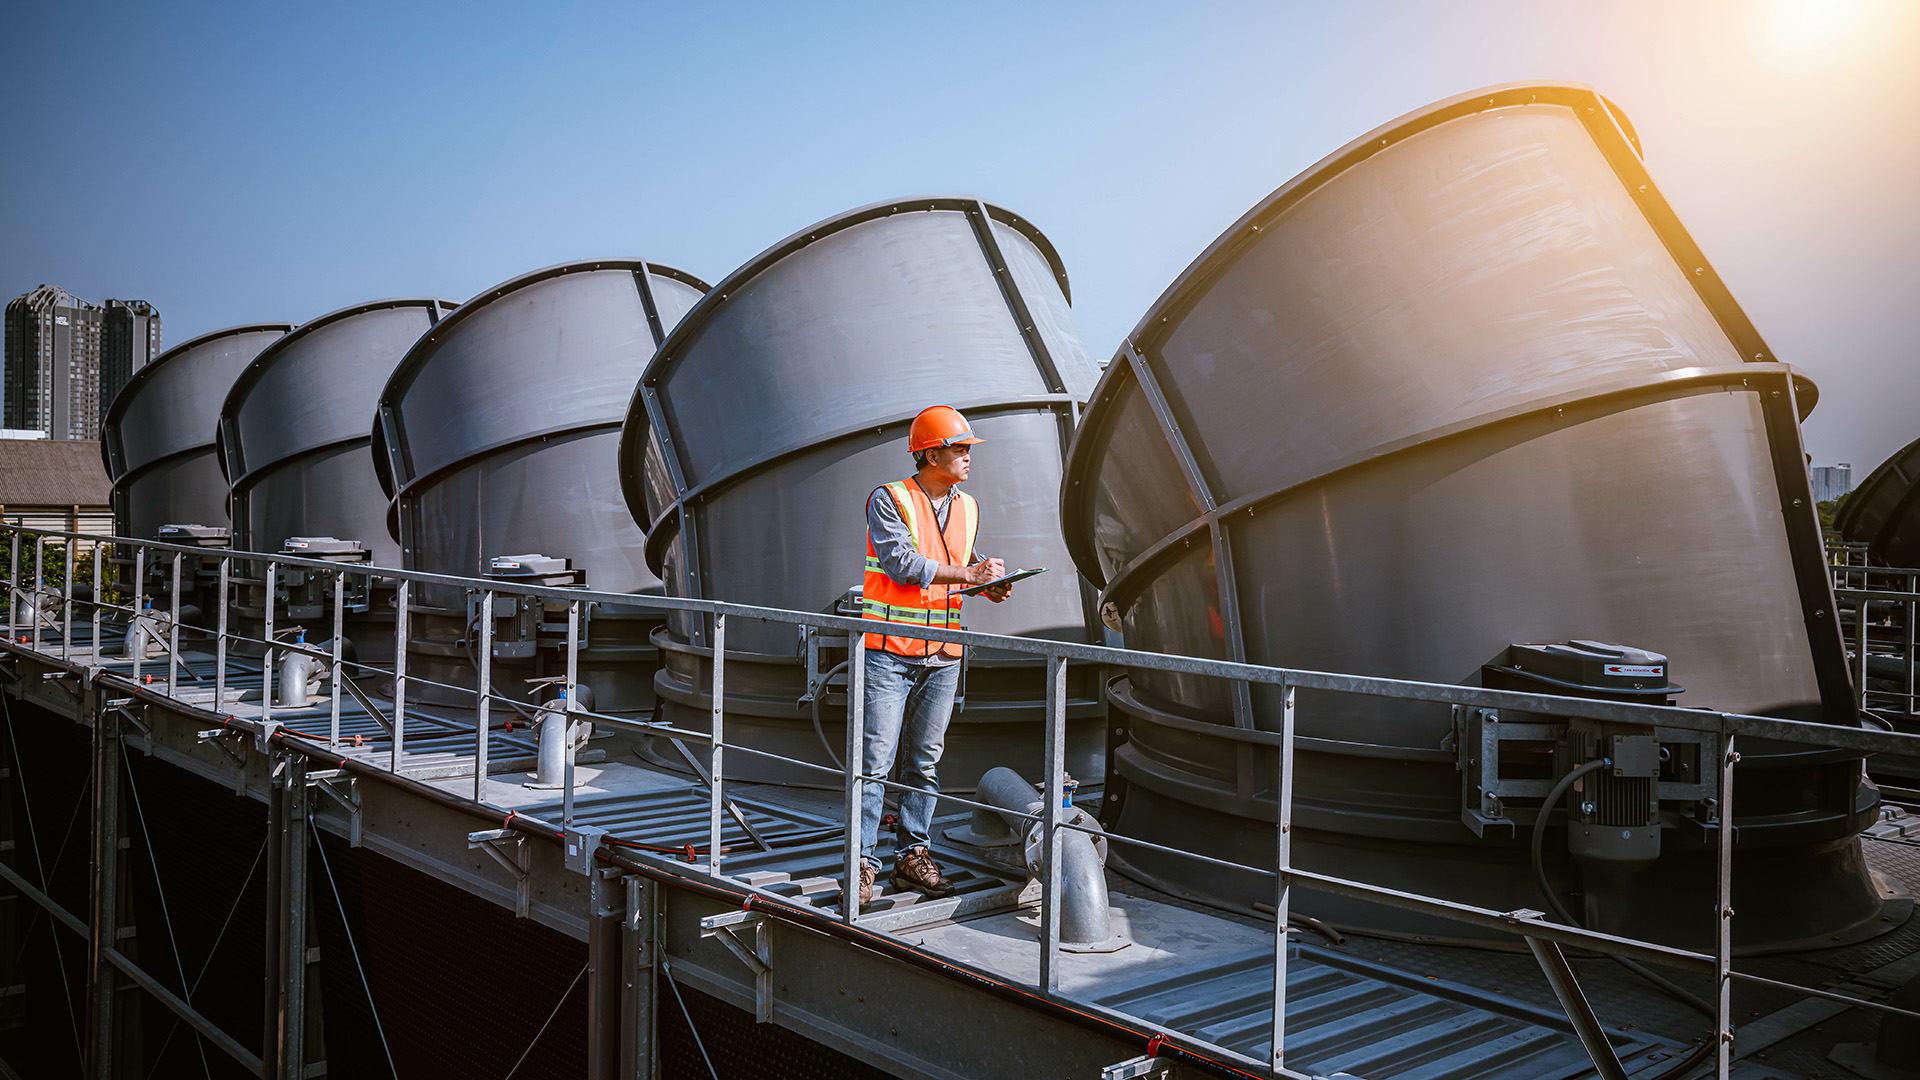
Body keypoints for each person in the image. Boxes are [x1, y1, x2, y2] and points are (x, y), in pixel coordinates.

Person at [856, 404, 1011, 907]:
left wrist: (989, 584)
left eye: (968, 449)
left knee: (923, 763)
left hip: (943, 654)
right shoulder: (889, 499)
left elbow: (956, 565)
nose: (968, 457)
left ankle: (911, 856)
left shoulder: (969, 507)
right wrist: (970, 576)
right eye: (960, 448)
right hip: (891, 651)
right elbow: (902, 564)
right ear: (930, 453)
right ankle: (861, 862)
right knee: (875, 762)